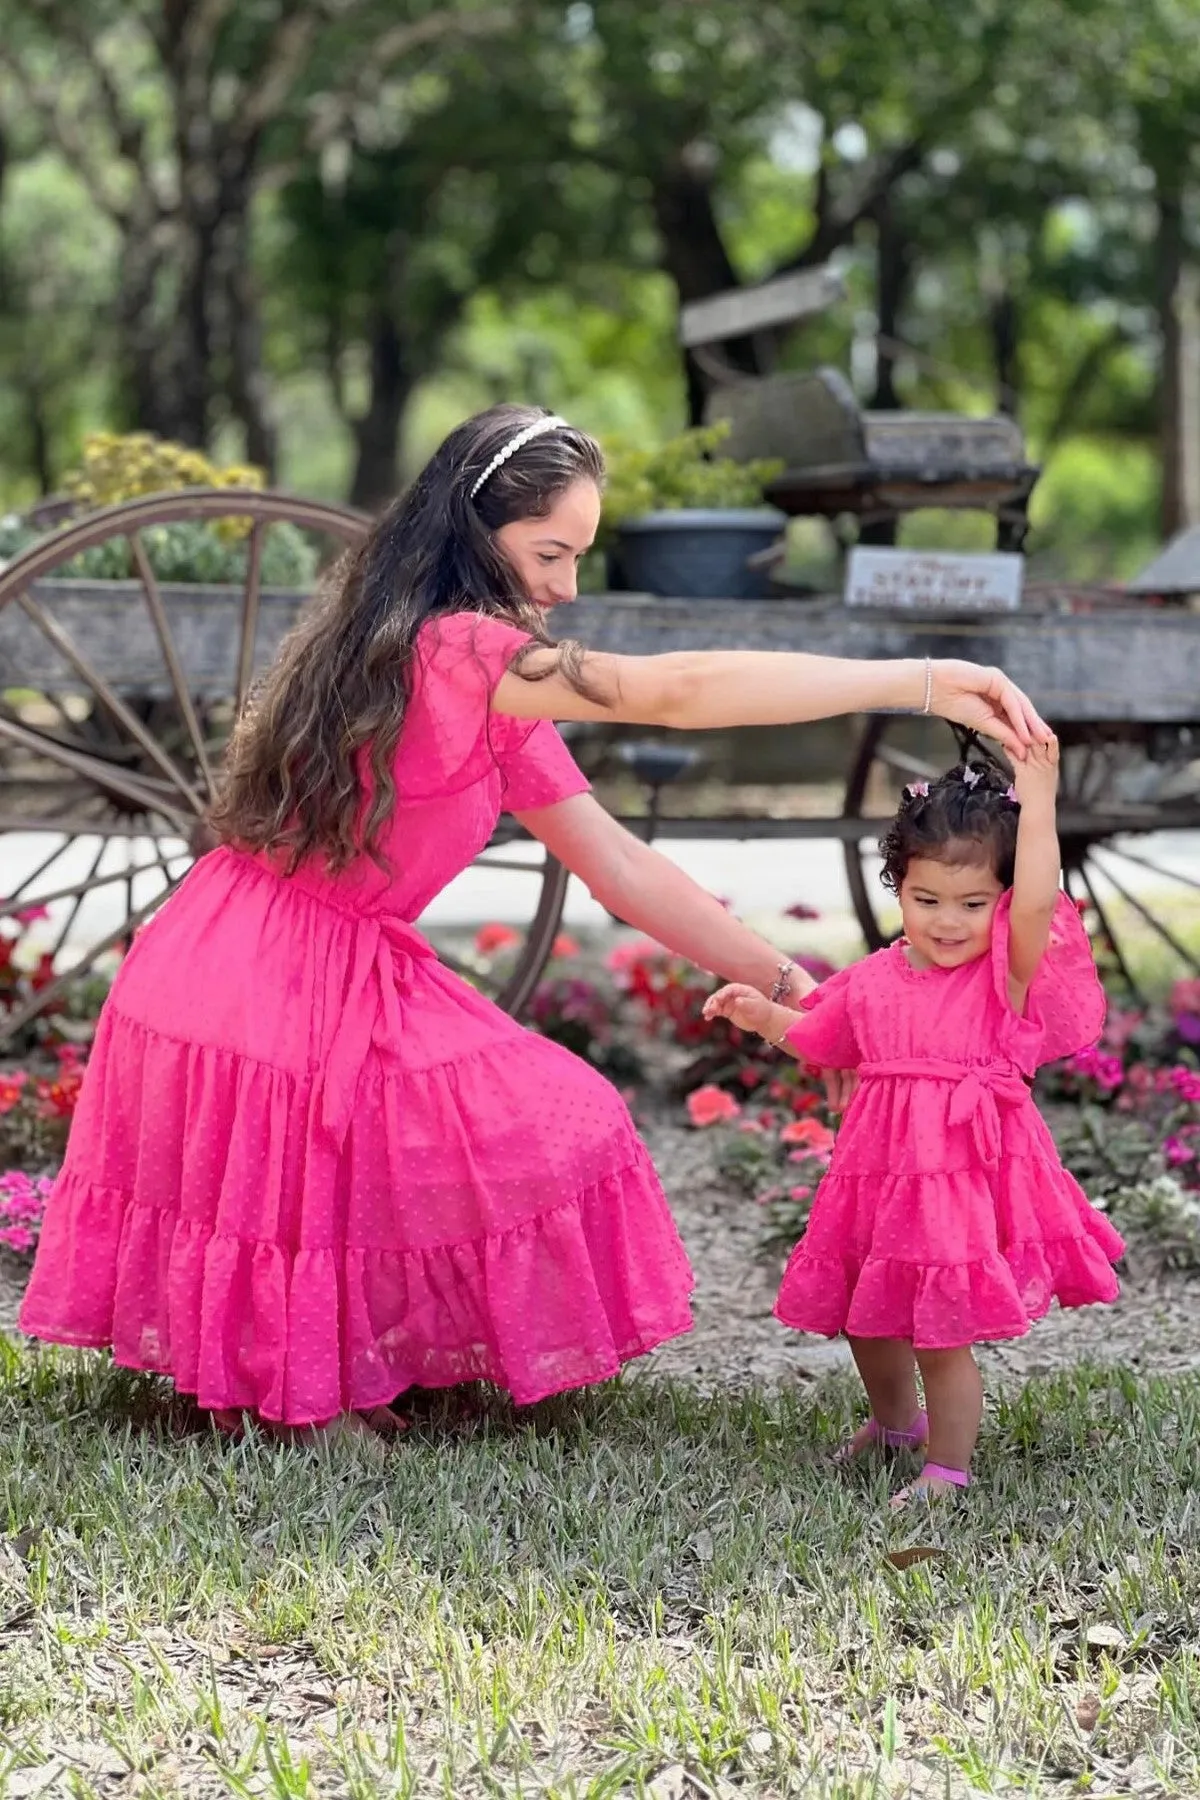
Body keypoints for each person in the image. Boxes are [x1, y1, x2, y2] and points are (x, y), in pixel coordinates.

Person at [19, 403, 1052, 1442]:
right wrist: (923, 680)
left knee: (564, 1120)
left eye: (578, 558)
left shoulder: (467, 680)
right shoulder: (459, 647)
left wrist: (800, 990)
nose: (563, 587)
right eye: (548, 552)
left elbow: (624, 868)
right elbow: (678, 691)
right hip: (260, 976)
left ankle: (351, 1363)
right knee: (476, 1128)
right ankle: (292, 1392)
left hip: (292, 954)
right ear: (474, 530)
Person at [704, 737, 1123, 1505]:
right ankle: (896, 1426)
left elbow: (1036, 898)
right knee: (869, 1312)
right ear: (898, 887)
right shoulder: (874, 977)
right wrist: (765, 1014)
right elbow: (823, 1036)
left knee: (942, 1327)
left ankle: (948, 1467)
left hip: (963, 1172)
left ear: (1000, 907)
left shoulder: (1005, 976)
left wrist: (1039, 795)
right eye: (927, 900)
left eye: (973, 904)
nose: (950, 921)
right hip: (883, 1173)